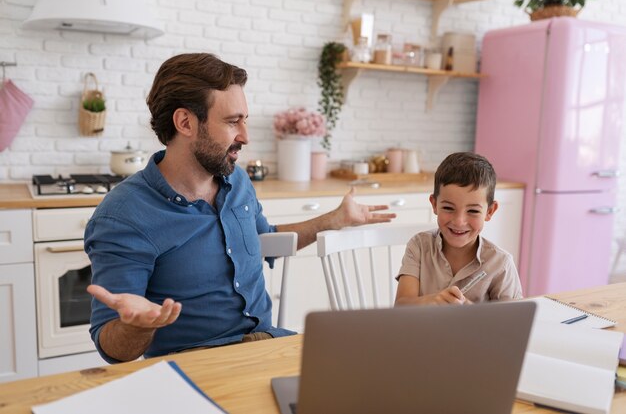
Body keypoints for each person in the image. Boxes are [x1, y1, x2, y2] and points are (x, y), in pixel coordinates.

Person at [85, 53, 396, 363]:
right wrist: (136, 327)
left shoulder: (237, 181)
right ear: (185, 122)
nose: (245, 136)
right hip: (197, 363)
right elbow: (112, 347)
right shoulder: (124, 215)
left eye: (244, 120)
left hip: (268, 345)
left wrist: (335, 220)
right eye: (233, 122)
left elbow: (265, 241)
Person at [394, 152, 522, 306]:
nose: (459, 222)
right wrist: (432, 301)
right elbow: (401, 305)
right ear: (434, 205)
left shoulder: (501, 264)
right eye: (448, 208)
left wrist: (470, 313)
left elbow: (510, 325)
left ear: (490, 211)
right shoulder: (419, 246)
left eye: (473, 211)